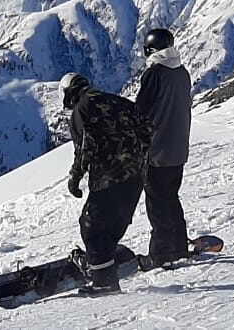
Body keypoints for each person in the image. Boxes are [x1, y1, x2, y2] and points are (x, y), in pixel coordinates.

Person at [61, 72, 151, 293]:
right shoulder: (119, 101)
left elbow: (84, 149)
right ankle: (103, 264)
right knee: (112, 226)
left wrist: (75, 178)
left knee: (92, 226)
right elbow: (148, 129)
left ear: (69, 93)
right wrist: (137, 158)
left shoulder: (82, 110)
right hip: (136, 175)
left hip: (109, 177)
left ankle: (104, 281)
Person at [133, 28, 193, 266]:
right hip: (178, 147)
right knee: (170, 197)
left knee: (156, 202)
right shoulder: (182, 72)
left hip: (157, 149)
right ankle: (179, 246)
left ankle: (160, 253)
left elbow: (142, 109)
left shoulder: (155, 73)